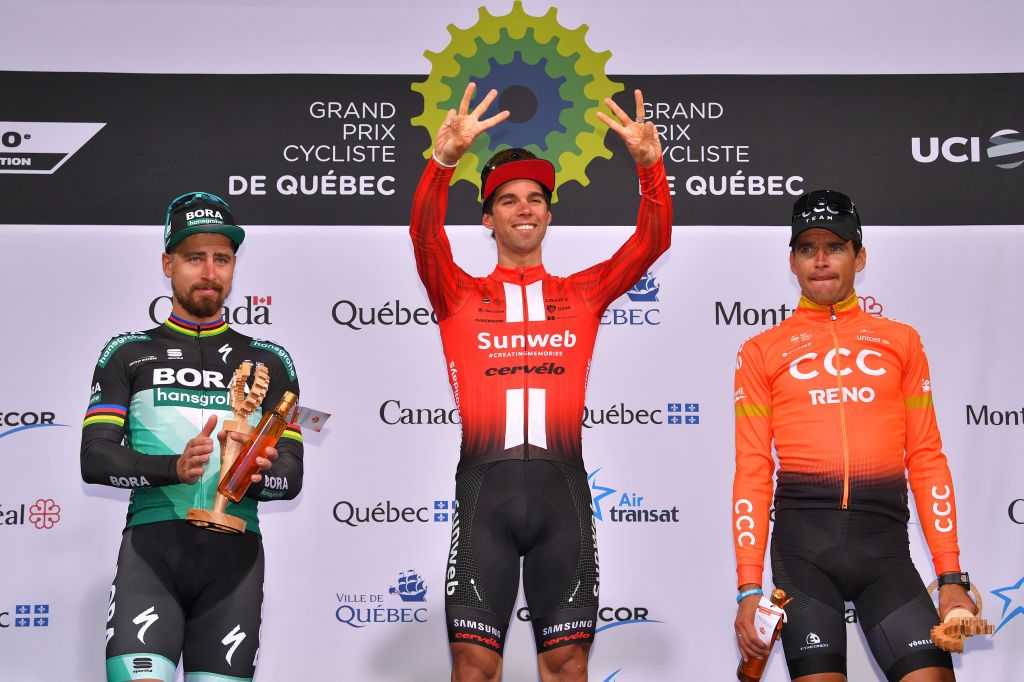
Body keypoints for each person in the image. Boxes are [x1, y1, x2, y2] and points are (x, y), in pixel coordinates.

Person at [410, 83, 671, 682]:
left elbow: (652, 242)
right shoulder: (457, 294)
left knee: (566, 665)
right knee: (473, 667)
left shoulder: (581, 292)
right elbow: (424, 236)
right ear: (488, 217)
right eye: (508, 200)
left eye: (535, 198)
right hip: (485, 495)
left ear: (550, 213)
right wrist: (442, 161)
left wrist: (650, 166)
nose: (523, 208)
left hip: (563, 496)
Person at [731, 190, 977, 682]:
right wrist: (747, 589)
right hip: (803, 556)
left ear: (859, 257)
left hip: (884, 553)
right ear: (793, 261)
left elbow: (926, 457)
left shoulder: (901, 341)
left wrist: (950, 575)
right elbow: (754, 469)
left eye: (836, 246)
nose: (821, 261)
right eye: (807, 249)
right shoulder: (761, 351)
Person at [81, 192, 304, 682]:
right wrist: (171, 469)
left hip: (235, 564)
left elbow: (292, 475)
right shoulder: (128, 353)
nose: (209, 271)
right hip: (151, 555)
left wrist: (254, 472)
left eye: (221, 258)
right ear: (168, 263)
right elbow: (95, 460)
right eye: (194, 257)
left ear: (233, 267)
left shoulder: (270, 361)